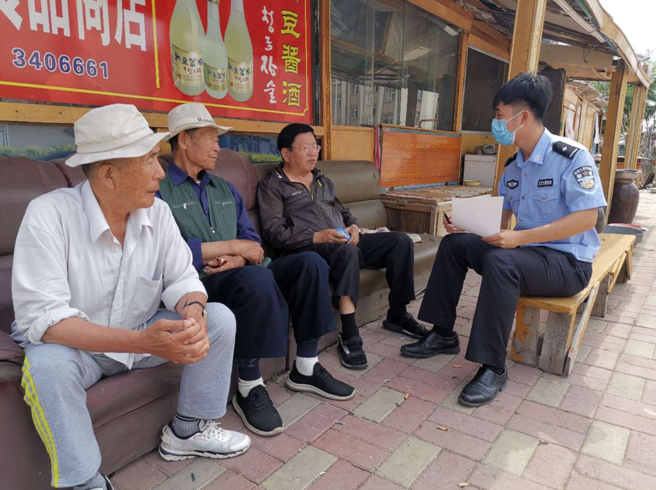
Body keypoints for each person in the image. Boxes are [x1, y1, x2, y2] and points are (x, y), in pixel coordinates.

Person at [11, 104, 250, 490]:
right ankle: (83, 480)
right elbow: (48, 322)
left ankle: (187, 431)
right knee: (47, 367)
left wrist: (193, 313)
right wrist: (140, 342)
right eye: (151, 160)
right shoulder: (49, 215)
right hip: (79, 348)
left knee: (219, 318)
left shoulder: (156, 212)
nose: (160, 171)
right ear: (108, 173)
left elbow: (183, 277)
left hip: (139, 333)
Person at [401, 73, 607, 406]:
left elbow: (587, 218)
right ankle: (442, 333)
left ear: (522, 116)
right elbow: (501, 223)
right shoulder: (513, 167)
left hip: (567, 264)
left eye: (499, 115)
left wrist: (519, 238)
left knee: (502, 260)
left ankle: (493, 366)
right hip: (524, 256)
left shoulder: (571, 157)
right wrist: (469, 227)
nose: (495, 123)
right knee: (455, 246)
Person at [157, 103, 355, 438]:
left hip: (244, 271)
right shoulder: (160, 190)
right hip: (199, 284)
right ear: (185, 141)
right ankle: (249, 385)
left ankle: (305, 366)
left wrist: (240, 256)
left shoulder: (223, 189)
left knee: (311, 263)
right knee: (257, 277)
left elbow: (251, 239)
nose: (219, 146)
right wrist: (232, 250)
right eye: (210, 138)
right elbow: (160, 252)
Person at [257, 124, 427, 371]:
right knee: (349, 252)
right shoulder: (273, 186)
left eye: (314, 147)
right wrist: (317, 236)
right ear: (285, 153)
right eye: (304, 148)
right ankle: (348, 333)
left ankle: (398, 313)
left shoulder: (321, 179)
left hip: (342, 241)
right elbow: (274, 233)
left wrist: (354, 226)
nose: (312, 153)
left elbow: (342, 211)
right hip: (308, 250)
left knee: (399, 241)